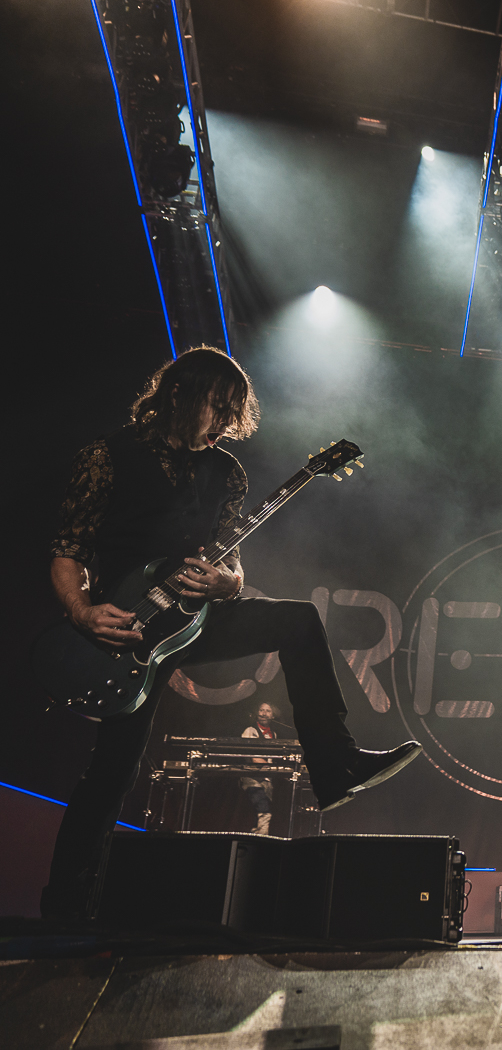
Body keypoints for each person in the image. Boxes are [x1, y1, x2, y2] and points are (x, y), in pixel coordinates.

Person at [41, 346, 420, 921]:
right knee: (112, 774)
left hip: (193, 621)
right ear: (178, 394)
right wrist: (83, 612)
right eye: (217, 407)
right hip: (125, 632)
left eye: (232, 412)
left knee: (298, 619)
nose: (224, 422)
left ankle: (337, 765)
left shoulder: (227, 473)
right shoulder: (108, 457)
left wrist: (226, 584)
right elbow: (68, 549)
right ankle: (64, 910)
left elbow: (233, 568)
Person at [240, 701, 281, 836]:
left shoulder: (273, 735)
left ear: (273, 715)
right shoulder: (250, 731)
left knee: (261, 811)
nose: (264, 713)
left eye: (268, 711)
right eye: (261, 710)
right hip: (252, 776)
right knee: (263, 807)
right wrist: (273, 767)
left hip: (267, 778)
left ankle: (256, 836)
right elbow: (253, 757)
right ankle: (263, 837)